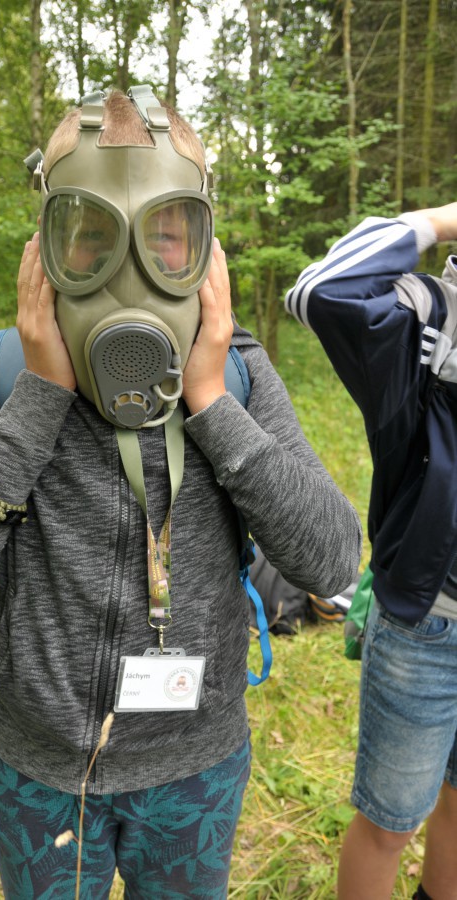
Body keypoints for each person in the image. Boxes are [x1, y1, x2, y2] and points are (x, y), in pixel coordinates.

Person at [0, 85, 361, 898]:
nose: (129, 276)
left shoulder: (239, 376)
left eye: (166, 238)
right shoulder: (6, 374)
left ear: (206, 253)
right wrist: (39, 399)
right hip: (37, 770)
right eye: (89, 239)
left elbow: (332, 559)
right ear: (44, 252)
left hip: (194, 769)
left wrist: (211, 402)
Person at [285, 203, 457, 900]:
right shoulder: (428, 317)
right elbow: (321, 291)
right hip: (429, 626)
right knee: (390, 825)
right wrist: (440, 220)